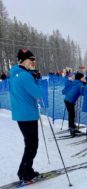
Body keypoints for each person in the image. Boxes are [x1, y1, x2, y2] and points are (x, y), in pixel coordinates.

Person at [9, 49, 41, 181]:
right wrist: (36, 80)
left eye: (34, 59)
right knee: (32, 145)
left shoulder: (14, 73)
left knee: (30, 144)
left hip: (21, 114)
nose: (33, 62)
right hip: (28, 114)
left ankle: (25, 170)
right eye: (30, 59)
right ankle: (25, 172)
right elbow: (38, 94)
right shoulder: (25, 76)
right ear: (22, 60)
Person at [64, 72, 85, 136]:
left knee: (71, 115)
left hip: (68, 100)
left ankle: (72, 126)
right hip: (70, 101)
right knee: (72, 115)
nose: (84, 78)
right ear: (80, 78)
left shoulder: (76, 82)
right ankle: (72, 128)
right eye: (83, 77)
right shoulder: (80, 84)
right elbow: (83, 93)